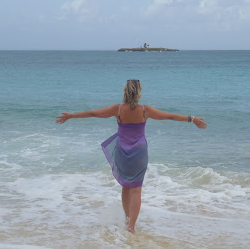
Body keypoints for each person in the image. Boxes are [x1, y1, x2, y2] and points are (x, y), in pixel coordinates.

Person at [55, 79, 207, 233]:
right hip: (139, 153)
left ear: (125, 92)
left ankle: (127, 220)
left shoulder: (118, 109)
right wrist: (191, 119)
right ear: (139, 92)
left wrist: (71, 116)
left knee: (126, 186)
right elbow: (169, 116)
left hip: (122, 151)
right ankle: (131, 227)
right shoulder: (145, 110)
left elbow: (94, 113)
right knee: (136, 189)